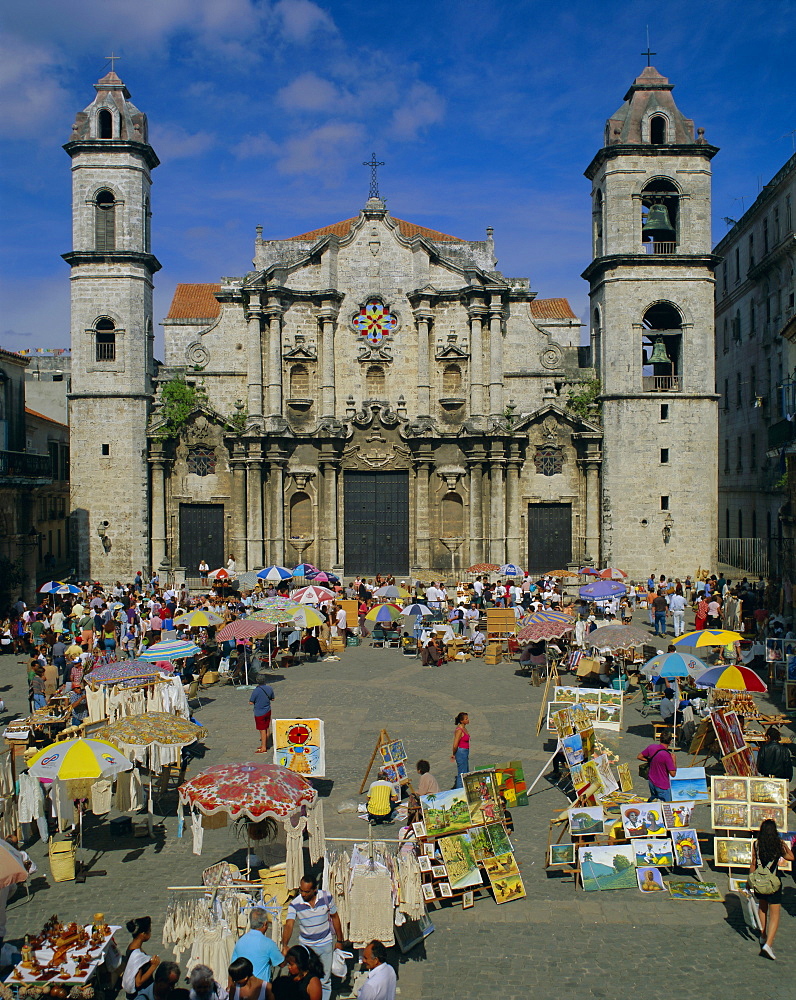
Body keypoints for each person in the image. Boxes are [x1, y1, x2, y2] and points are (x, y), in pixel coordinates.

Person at [281, 874, 342, 1000]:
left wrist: (339, 941)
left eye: (306, 891)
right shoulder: (295, 904)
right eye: (301, 890)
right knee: (304, 976)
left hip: (325, 944)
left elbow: (335, 917)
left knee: (325, 979)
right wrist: (285, 944)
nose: (303, 894)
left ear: (315, 890)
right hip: (306, 947)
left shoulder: (326, 897)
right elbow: (289, 925)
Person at [749, 818, 794, 960]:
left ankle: (763, 935)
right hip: (773, 882)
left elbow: (753, 863)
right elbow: (791, 857)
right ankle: (768, 944)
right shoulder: (777, 845)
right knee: (774, 915)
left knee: (762, 907)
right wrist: (785, 847)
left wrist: (749, 882)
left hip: (760, 881)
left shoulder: (756, 844)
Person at [231, 909, 284, 983]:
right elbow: (281, 964)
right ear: (265, 924)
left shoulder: (240, 941)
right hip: (261, 988)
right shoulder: (268, 943)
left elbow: (232, 967)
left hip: (243, 987)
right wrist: (285, 952)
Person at [123, 917, 159, 998]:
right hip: (141, 993)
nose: (150, 933)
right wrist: (154, 966)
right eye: (149, 931)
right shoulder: (137, 955)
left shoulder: (132, 946)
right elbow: (138, 982)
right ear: (142, 934)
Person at [637, 730, 676, 802]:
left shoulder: (651, 747)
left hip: (652, 781)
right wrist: (673, 760)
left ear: (660, 739)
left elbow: (639, 756)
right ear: (670, 742)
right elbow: (673, 774)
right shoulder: (667, 756)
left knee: (655, 803)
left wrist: (650, 760)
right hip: (663, 785)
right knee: (667, 807)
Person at [249, 676, 276, 753]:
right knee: (266, 727)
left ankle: (263, 747)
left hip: (259, 712)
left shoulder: (256, 691)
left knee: (262, 729)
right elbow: (273, 698)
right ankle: (265, 743)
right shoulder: (269, 688)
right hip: (268, 710)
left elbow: (251, 702)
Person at [451, 712, 470, 788]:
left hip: (465, 752)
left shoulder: (464, 728)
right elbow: (455, 744)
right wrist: (453, 753)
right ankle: (459, 790)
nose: (468, 720)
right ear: (461, 721)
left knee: (466, 772)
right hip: (461, 752)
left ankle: (464, 789)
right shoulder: (459, 730)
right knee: (461, 774)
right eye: (466, 719)